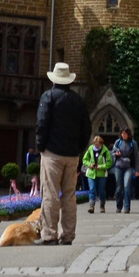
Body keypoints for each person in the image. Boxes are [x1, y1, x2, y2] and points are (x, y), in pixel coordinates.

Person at [35, 62, 90, 246]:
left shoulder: (48, 97)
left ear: (54, 80)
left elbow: (42, 124)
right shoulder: (78, 100)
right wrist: (79, 148)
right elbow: (86, 129)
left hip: (52, 153)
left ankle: (49, 234)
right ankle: (68, 235)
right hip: (72, 154)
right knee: (69, 195)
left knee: (50, 194)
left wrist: (40, 146)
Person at [82, 135, 113, 213]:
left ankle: (102, 205)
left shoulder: (105, 151)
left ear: (101, 144)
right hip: (91, 173)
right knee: (92, 189)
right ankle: (91, 206)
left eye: (98, 144)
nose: (96, 145)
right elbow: (84, 160)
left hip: (101, 174)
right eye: (95, 144)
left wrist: (102, 166)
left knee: (101, 190)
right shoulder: (90, 149)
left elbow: (110, 163)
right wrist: (89, 164)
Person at [111, 128, 137, 212]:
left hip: (128, 166)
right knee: (119, 188)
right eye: (122, 134)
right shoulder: (118, 142)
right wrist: (116, 154)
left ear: (128, 134)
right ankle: (119, 206)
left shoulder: (133, 143)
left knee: (127, 186)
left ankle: (127, 207)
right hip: (118, 166)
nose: (124, 135)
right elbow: (112, 153)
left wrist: (136, 169)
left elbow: (136, 156)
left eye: (125, 134)